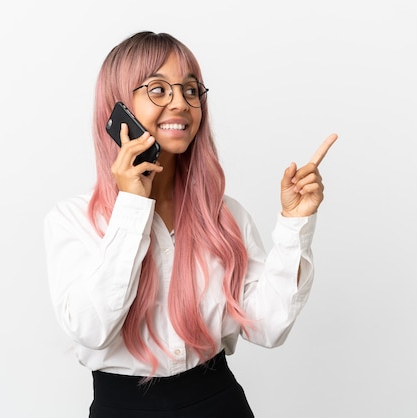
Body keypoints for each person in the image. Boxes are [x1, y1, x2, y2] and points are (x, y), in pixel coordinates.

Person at [44, 31, 337, 418]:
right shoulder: (72, 220)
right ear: (117, 109)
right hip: (124, 408)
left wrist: (295, 224)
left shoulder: (224, 216)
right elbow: (92, 328)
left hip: (218, 402)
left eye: (191, 90)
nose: (181, 103)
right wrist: (132, 206)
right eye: (159, 90)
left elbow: (268, 327)